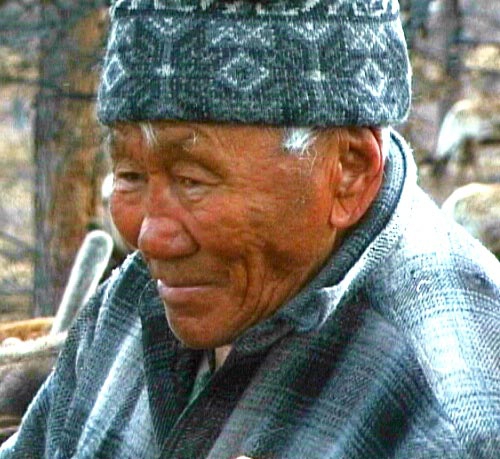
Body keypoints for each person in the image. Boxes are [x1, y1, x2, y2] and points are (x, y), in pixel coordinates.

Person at [2, 0, 500, 457]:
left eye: (192, 179)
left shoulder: (454, 412)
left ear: (347, 171)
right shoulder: (140, 298)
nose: (149, 237)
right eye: (130, 174)